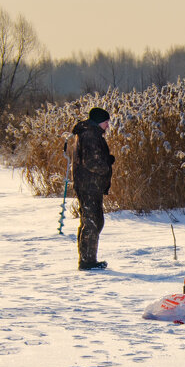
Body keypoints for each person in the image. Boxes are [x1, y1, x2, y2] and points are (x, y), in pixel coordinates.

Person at [68, 106, 115, 270]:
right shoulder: (90, 135)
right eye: (106, 122)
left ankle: (87, 259)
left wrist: (106, 159)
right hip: (89, 185)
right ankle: (87, 261)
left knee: (92, 221)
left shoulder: (91, 133)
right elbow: (91, 162)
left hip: (90, 185)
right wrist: (106, 165)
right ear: (98, 122)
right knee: (92, 222)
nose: (108, 126)